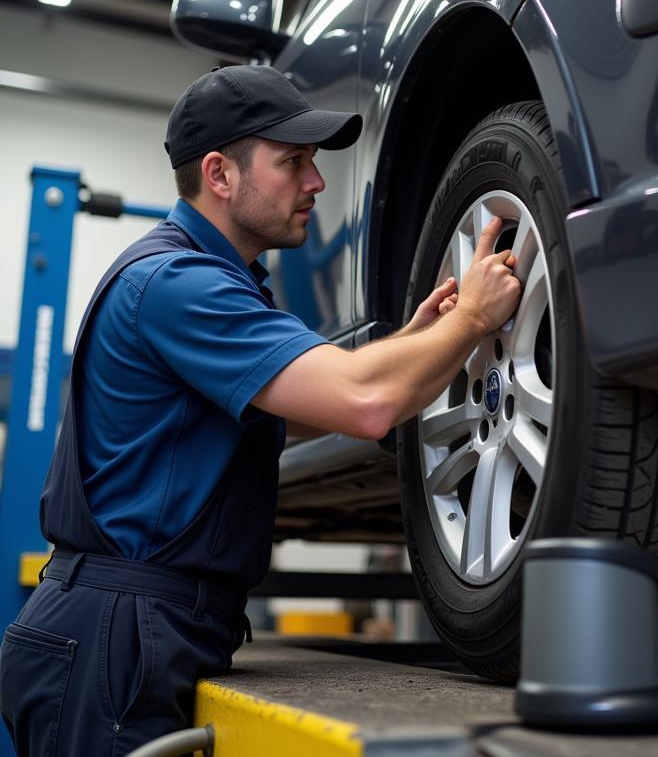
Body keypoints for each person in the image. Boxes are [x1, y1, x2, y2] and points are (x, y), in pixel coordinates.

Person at [0, 65, 521, 756]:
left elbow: (311, 407)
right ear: (219, 174)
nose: (316, 183)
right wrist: (470, 323)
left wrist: (421, 340)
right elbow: (364, 404)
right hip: (111, 634)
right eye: (294, 162)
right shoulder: (178, 285)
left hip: (134, 626)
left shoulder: (211, 281)